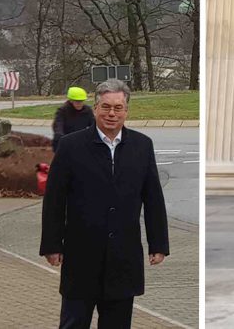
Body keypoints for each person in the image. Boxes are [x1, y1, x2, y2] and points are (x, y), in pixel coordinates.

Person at [40, 79, 169, 328]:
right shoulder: (71, 146)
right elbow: (55, 200)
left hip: (123, 258)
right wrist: (52, 245)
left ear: (126, 111)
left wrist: (159, 243)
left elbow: (153, 197)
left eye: (118, 108)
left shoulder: (142, 146)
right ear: (95, 108)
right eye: (106, 107)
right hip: (81, 257)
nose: (112, 114)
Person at [52, 86, 95, 152]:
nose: (79, 104)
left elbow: (94, 125)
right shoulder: (62, 111)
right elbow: (58, 126)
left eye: (81, 101)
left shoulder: (87, 111)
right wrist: (60, 137)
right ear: (71, 100)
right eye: (77, 101)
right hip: (66, 140)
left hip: (81, 141)